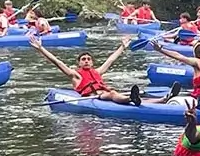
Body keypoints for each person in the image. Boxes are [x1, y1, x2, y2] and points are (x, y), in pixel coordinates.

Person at [28, 35, 181, 106]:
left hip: (104, 94)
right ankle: (131, 99)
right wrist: (41, 48)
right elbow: (57, 62)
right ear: (79, 63)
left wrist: (122, 46)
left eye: (88, 59)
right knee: (114, 94)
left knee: (127, 96)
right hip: (95, 97)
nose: (87, 61)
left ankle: (163, 100)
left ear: (92, 62)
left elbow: (111, 60)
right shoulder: (75, 75)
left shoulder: (98, 72)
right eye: (83, 59)